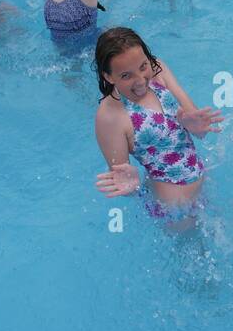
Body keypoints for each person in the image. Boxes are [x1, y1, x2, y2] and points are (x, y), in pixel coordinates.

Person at [94, 27, 224, 225]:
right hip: (173, 209)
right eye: (126, 76)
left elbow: (199, 130)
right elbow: (122, 181)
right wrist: (134, 187)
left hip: (200, 183)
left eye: (143, 66)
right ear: (109, 77)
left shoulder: (158, 69)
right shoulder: (110, 116)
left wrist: (193, 124)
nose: (140, 81)